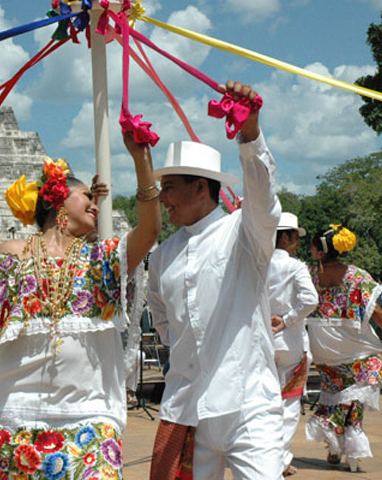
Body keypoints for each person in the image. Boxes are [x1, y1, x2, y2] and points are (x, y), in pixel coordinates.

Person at [0, 144, 160, 479]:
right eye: (86, 196)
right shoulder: (11, 255)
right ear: (57, 200)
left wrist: (141, 162)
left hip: (90, 415)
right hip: (17, 414)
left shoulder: (102, 260)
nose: (94, 204)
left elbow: (149, 231)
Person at [148, 80, 284, 480]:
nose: (164, 199)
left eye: (169, 188)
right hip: (187, 408)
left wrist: (250, 133)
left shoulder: (245, 233)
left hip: (249, 404)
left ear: (201, 187)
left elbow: (263, 195)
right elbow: (163, 324)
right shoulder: (162, 256)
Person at [305, 224, 382, 473]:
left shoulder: (309, 275)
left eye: (312, 246)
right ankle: (336, 429)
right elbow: (375, 309)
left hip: (324, 348)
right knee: (358, 388)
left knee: (340, 393)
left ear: (320, 251)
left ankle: (336, 446)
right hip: (353, 346)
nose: (309, 250)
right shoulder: (356, 275)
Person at [267, 212, 319, 476]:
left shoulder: (258, 265)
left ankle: (266, 457)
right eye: (295, 237)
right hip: (289, 343)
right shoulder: (296, 266)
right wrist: (287, 320)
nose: (297, 243)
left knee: (265, 403)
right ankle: (278, 460)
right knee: (287, 404)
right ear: (286, 237)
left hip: (262, 343)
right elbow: (311, 300)